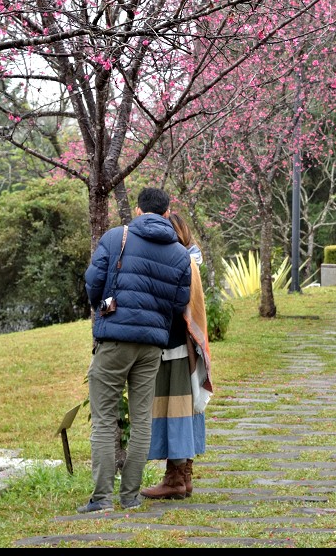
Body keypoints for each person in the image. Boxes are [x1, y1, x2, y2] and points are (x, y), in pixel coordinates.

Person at [78, 187, 192, 512]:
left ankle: (101, 499)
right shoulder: (180, 254)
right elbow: (179, 303)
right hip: (152, 346)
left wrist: (102, 308)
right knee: (143, 419)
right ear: (168, 212)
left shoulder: (116, 238)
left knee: (104, 418)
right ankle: (129, 497)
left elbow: (92, 280)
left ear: (139, 211)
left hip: (114, 339)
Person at [141, 212, 214, 500]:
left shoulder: (182, 262)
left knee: (175, 411)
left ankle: (175, 478)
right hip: (186, 348)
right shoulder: (191, 259)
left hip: (174, 346)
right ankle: (183, 476)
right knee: (184, 410)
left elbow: (174, 303)